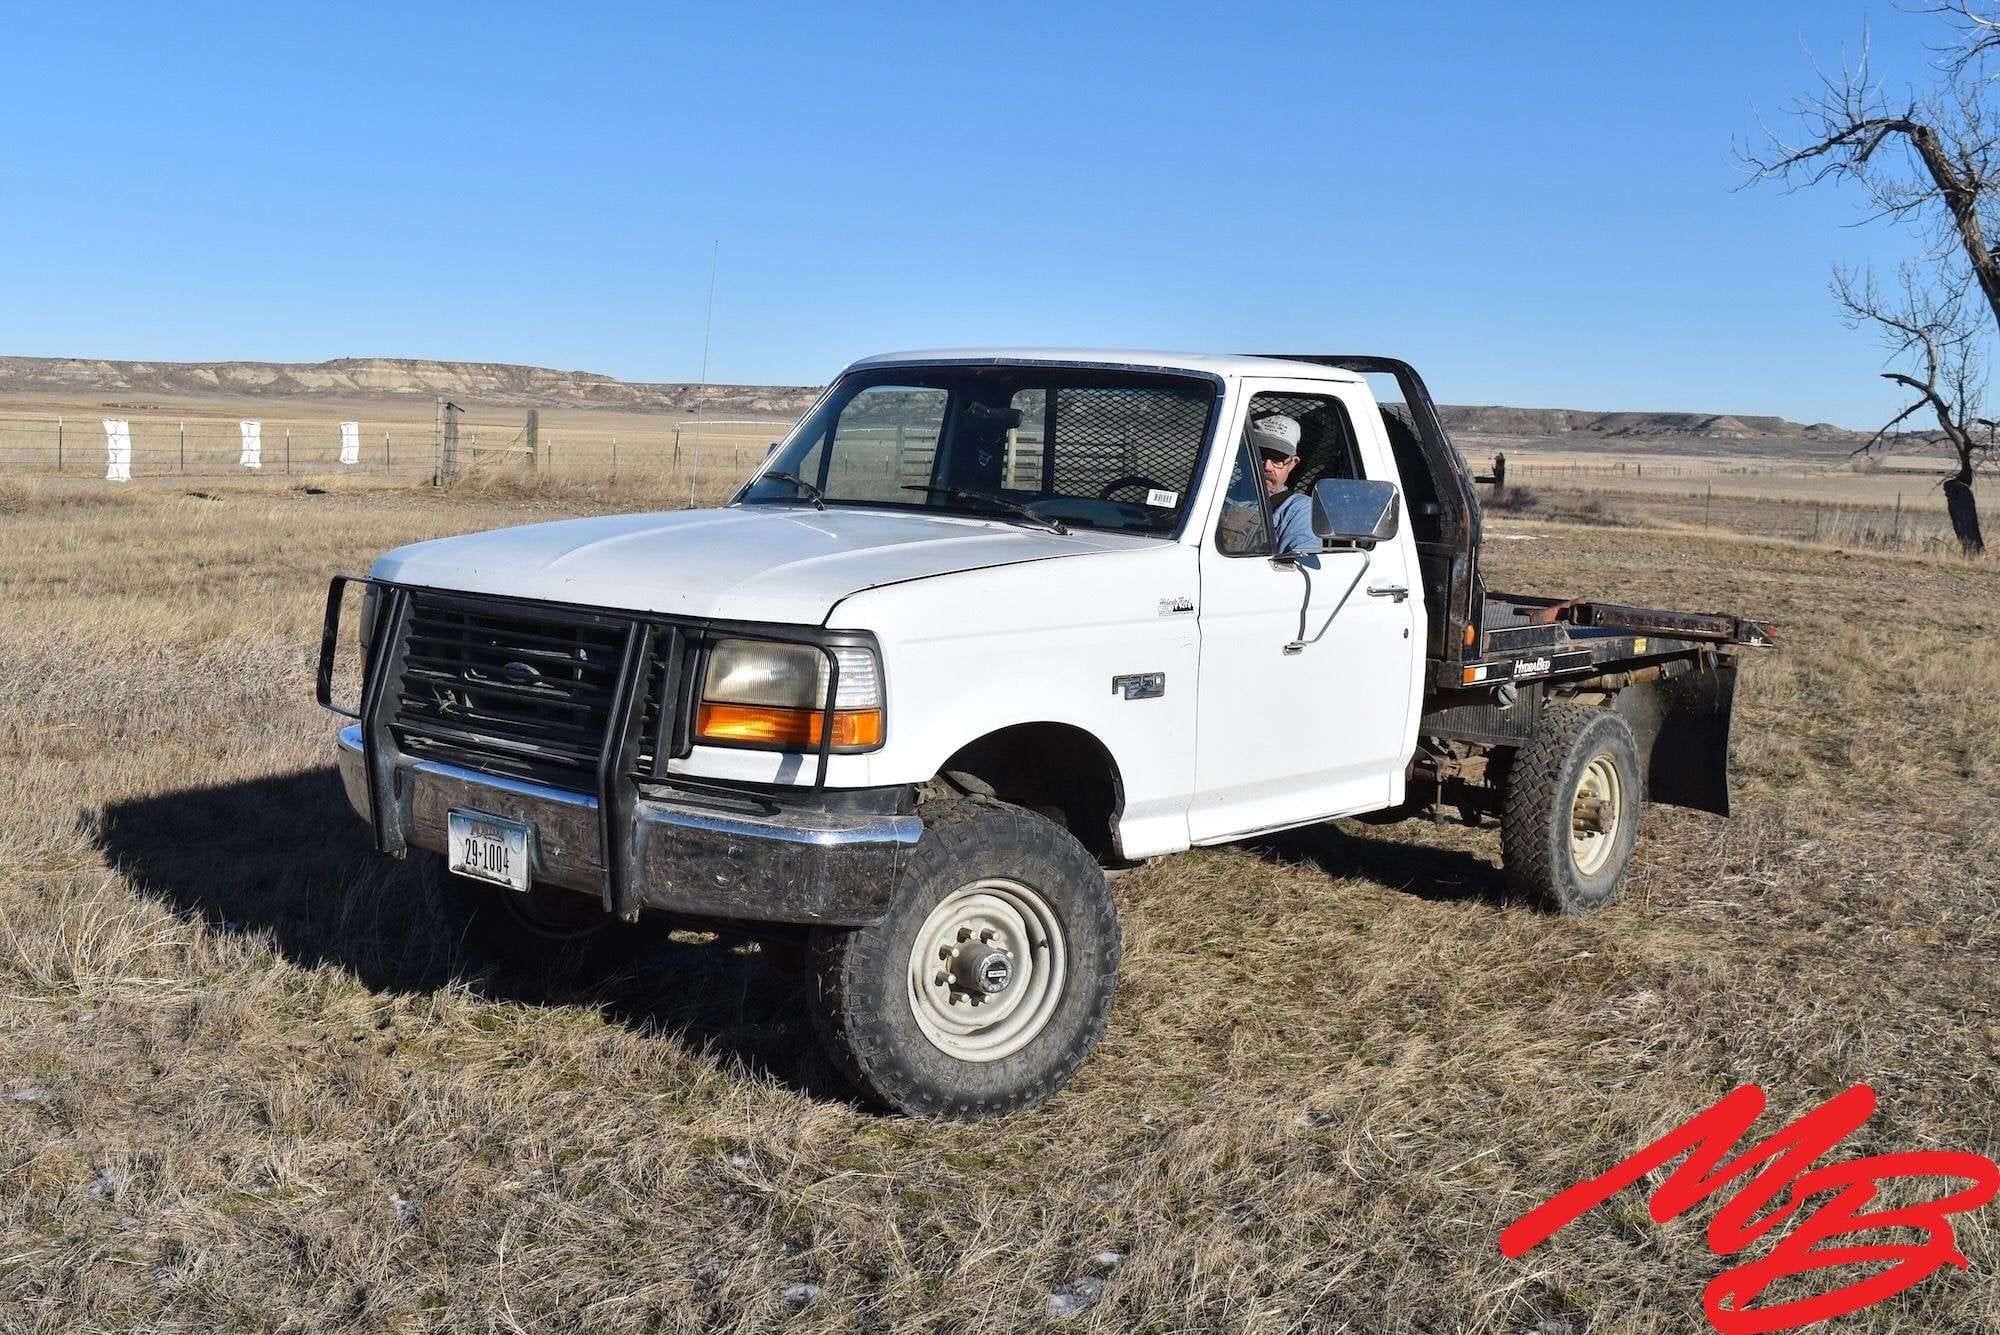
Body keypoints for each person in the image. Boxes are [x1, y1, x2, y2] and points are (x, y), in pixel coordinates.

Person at [1248, 413, 1318, 556]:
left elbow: (1300, 563)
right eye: (1260, 455)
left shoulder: (1297, 509)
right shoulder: (1216, 494)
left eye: (1278, 459)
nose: (1267, 466)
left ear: (1292, 464)